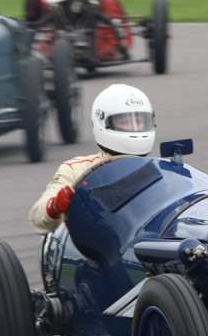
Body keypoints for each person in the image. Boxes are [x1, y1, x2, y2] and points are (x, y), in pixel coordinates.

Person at [30, 84, 156, 235]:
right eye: (125, 122)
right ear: (102, 122)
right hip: (88, 246)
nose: (135, 128)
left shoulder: (161, 170)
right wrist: (55, 205)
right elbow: (37, 220)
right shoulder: (75, 169)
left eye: (140, 121)